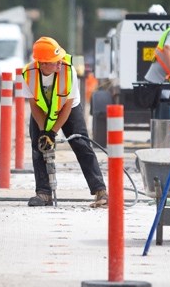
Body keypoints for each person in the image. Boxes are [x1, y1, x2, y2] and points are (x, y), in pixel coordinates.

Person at [21, 37, 108, 208]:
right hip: (42, 109)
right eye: (55, 61)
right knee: (39, 147)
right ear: (43, 63)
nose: (60, 62)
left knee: (81, 144)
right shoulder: (28, 74)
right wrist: (43, 133)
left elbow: (67, 107)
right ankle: (43, 193)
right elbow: (34, 106)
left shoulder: (69, 71)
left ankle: (100, 191)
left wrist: (52, 132)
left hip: (68, 108)